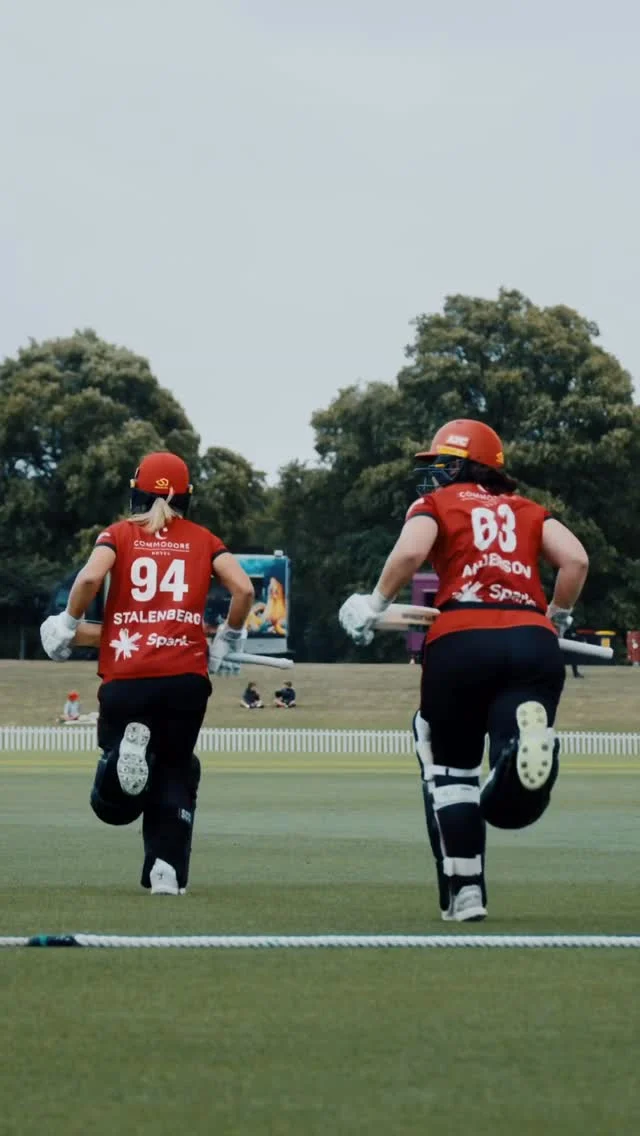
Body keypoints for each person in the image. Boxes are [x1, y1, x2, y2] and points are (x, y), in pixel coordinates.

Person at [339, 418, 588, 923]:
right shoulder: (529, 510)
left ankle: (467, 890)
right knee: (513, 728)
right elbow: (576, 561)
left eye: (441, 464)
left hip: (461, 638)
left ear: (462, 465)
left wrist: (373, 603)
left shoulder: (435, 505)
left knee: (449, 763)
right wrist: (555, 618)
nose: (433, 476)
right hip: (531, 638)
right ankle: (518, 747)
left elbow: (411, 551)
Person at [40, 451, 254, 896]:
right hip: (185, 677)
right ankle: (165, 871)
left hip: (128, 673)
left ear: (136, 492)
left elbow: (88, 580)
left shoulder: (118, 534)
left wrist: (67, 622)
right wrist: (228, 637)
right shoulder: (204, 539)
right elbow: (244, 588)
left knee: (113, 798)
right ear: (186, 498)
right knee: (177, 767)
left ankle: (123, 757)